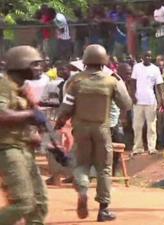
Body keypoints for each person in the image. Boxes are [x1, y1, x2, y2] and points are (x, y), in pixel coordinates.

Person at [55, 44, 132, 222]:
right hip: (102, 129)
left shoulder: (75, 81)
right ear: (104, 61)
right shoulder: (111, 80)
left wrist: (59, 123)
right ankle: (103, 210)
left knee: (81, 165)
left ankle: (82, 191)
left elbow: (66, 107)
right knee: (104, 168)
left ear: (85, 60)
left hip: (80, 129)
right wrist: (118, 80)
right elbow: (126, 104)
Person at [0, 46, 48, 225]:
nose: (39, 68)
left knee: (39, 204)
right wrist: (30, 115)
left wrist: (40, 138)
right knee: (23, 203)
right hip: (7, 149)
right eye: (35, 64)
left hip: (24, 148)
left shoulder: (23, 88)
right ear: (21, 65)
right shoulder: (3, 86)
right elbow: (1, 115)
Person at [131, 50, 164, 155]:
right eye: (146, 56)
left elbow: (160, 86)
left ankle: (152, 148)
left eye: (150, 56)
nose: (148, 58)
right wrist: (132, 95)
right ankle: (138, 148)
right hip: (138, 101)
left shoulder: (155, 69)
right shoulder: (137, 67)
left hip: (151, 101)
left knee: (151, 126)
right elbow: (133, 82)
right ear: (142, 56)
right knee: (137, 125)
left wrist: (162, 99)